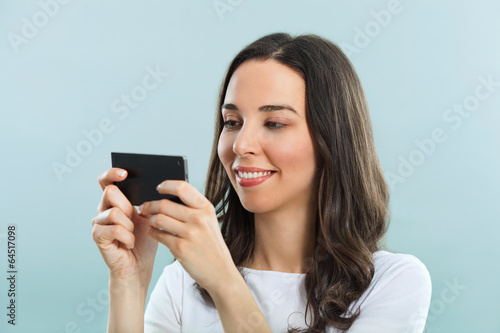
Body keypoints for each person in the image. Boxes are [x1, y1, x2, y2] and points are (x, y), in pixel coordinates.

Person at [91, 32, 432, 333]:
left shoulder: (393, 282)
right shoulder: (183, 283)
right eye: (232, 121)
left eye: (275, 122)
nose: (240, 145)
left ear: (333, 139)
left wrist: (224, 281)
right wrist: (129, 283)